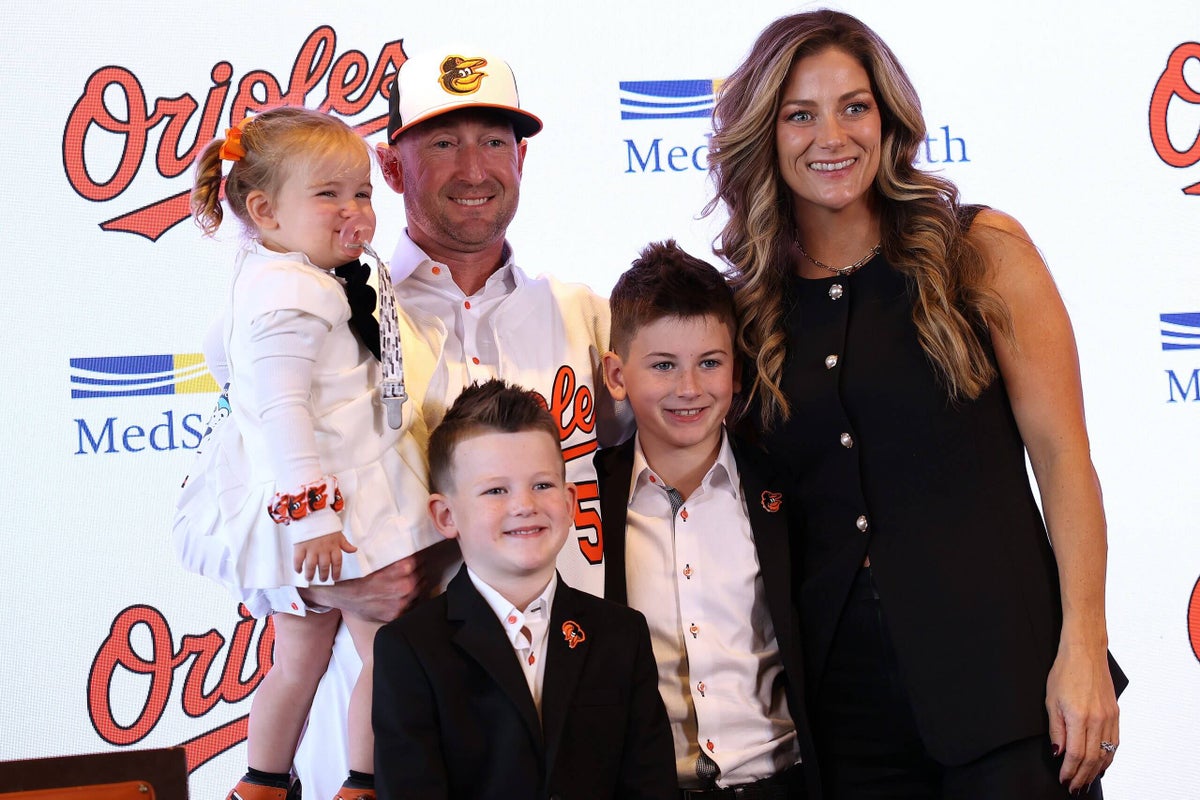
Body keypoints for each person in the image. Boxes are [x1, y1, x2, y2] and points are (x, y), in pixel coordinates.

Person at [706, 11, 1126, 799]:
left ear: (889, 118)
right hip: (844, 722)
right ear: (766, 132)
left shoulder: (980, 251)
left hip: (1008, 690)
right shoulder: (746, 312)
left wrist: (1085, 648)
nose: (831, 135)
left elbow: (1065, 459)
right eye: (800, 114)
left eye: (853, 106)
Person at [287, 47, 629, 799]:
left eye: (494, 141)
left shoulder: (584, 314)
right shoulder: (322, 311)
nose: (475, 169)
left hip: (566, 731)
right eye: (443, 143)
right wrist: (321, 589)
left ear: (522, 158)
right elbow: (203, 519)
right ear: (391, 165)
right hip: (385, 746)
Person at [181, 107, 440, 800]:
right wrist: (311, 516)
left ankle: (264, 780)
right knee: (382, 652)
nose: (354, 210)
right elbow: (283, 412)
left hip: (332, 486)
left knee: (298, 657)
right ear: (264, 210)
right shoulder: (289, 294)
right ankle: (362, 781)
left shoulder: (287, 273)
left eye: (362, 192)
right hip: (334, 499)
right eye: (328, 194)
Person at [373, 379, 675, 799]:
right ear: (445, 516)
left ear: (571, 502)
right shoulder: (409, 649)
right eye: (496, 490)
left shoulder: (621, 635)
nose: (524, 505)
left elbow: (650, 787)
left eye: (542, 485)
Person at [595, 241, 821, 799]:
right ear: (617, 375)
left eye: (710, 363)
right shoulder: (589, 498)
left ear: (737, 372)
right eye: (664, 366)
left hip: (781, 782)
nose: (689, 389)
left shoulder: (781, 488)